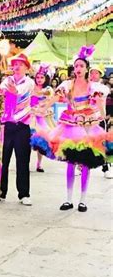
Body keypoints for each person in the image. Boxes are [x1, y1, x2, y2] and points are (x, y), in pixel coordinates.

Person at [41, 46, 108, 212]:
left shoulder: (94, 87)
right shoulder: (67, 84)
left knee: (86, 162)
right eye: (76, 66)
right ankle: (68, 199)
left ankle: (83, 200)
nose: (78, 69)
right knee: (70, 162)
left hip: (88, 125)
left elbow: (102, 110)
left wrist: (101, 108)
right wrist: (44, 106)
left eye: (81, 66)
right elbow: (55, 97)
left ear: (86, 69)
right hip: (70, 124)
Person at [0, 54, 35, 205]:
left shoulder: (29, 82)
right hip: (7, 125)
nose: (16, 67)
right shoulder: (8, 80)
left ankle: (24, 194)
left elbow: (18, 91)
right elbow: (1, 90)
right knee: (4, 160)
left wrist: (9, 90)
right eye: (15, 64)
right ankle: (0, 192)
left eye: (20, 65)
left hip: (22, 126)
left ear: (26, 68)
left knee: (22, 161)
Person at [29, 64, 56, 172]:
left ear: (46, 79)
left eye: (42, 77)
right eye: (38, 77)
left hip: (41, 117)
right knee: (27, 141)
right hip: (30, 116)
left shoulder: (48, 88)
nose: (39, 79)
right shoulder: (31, 86)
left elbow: (46, 93)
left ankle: (39, 164)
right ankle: (25, 162)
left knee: (40, 142)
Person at [88, 64, 112, 178]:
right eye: (91, 72)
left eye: (96, 73)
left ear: (100, 75)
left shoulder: (104, 88)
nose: (93, 75)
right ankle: (81, 166)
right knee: (83, 143)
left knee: (102, 143)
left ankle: (105, 168)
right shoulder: (84, 86)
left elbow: (99, 99)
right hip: (86, 119)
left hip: (99, 118)